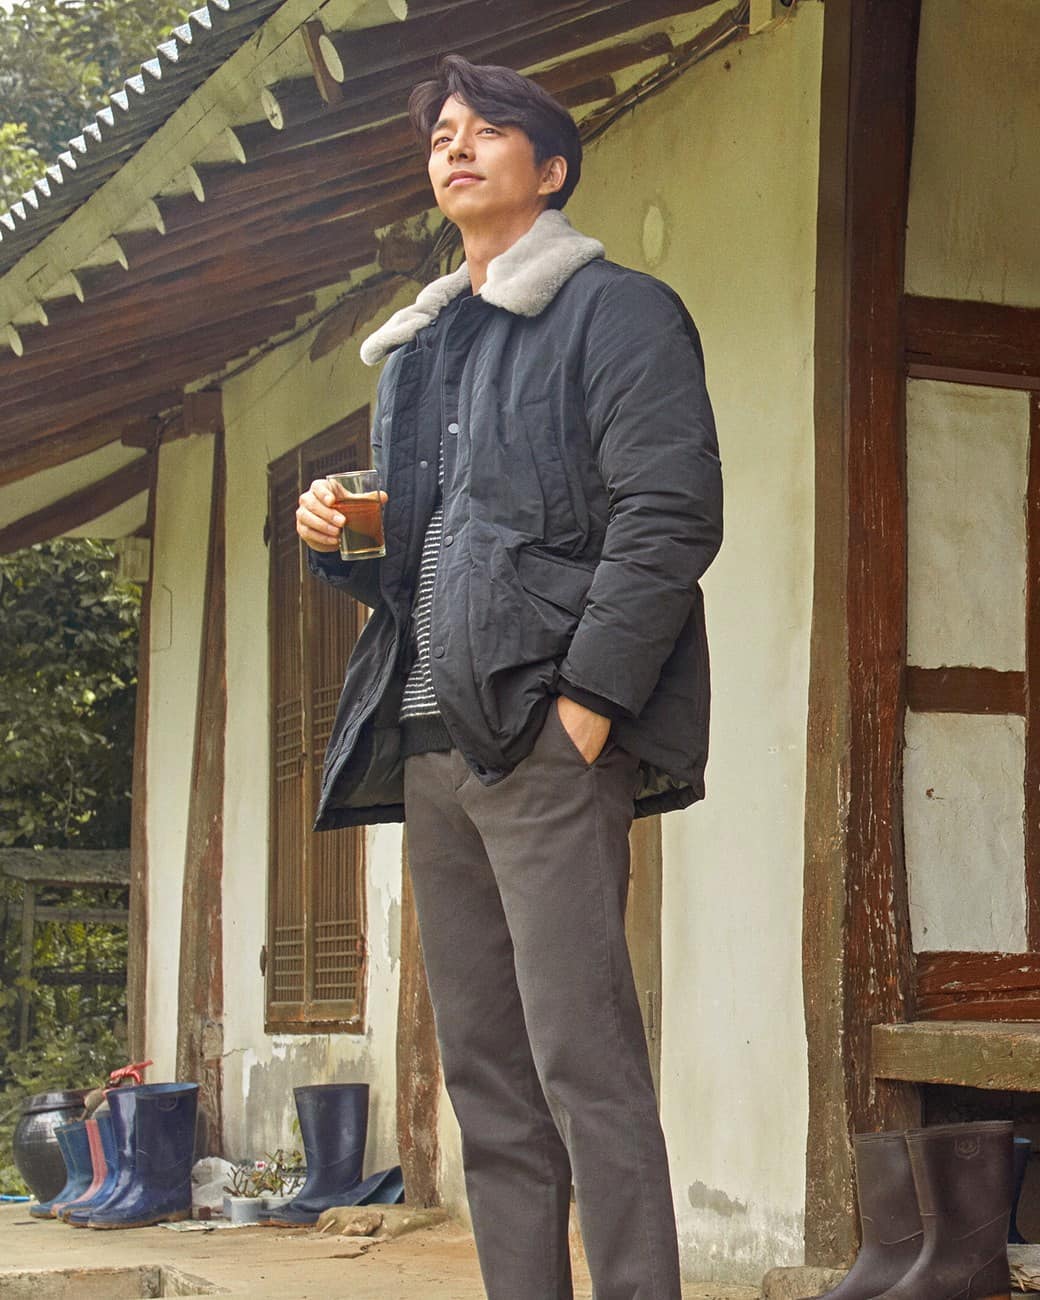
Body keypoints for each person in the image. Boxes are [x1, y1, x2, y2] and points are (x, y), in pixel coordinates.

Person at [295, 53, 723, 1300]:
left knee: (584, 1062)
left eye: (487, 129)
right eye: (442, 132)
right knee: (485, 1078)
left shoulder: (616, 312)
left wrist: (587, 706)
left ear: (551, 169)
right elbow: (430, 562)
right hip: (432, 743)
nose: (455, 145)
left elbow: (668, 512)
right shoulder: (418, 355)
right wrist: (337, 536)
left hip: (543, 738)